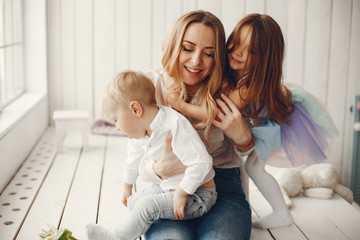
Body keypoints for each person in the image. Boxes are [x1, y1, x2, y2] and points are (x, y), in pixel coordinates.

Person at [166, 13, 338, 229]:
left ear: (265, 58)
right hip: (259, 126)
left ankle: (280, 212)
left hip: (276, 125)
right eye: (237, 43)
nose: (239, 52)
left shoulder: (249, 86)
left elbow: (215, 114)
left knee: (254, 167)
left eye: (251, 51)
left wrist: (180, 105)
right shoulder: (234, 76)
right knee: (248, 165)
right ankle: (260, 206)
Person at [140, 10, 254, 239]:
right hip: (169, 188)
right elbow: (136, 155)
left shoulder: (227, 90)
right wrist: (159, 170)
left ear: (218, 56)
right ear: (174, 46)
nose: (196, 61)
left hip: (222, 185)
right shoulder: (150, 86)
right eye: (187, 48)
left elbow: (251, 152)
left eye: (209, 53)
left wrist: (244, 139)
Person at [86, 71, 217, 240]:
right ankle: (138, 223)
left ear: (135, 109)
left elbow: (203, 162)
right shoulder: (139, 131)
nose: (117, 127)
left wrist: (182, 192)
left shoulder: (174, 124)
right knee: (135, 200)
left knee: (146, 206)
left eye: (116, 120)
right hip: (170, 186)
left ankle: (117, 237)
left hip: (198, 195)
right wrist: (127, 186)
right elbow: (133, 157)